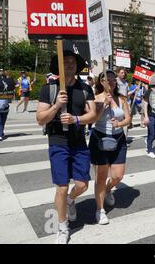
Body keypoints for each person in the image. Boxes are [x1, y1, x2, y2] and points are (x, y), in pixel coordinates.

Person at [36, 50, 97, 244]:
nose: (69, 64)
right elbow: (40, 119)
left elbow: (93, 114)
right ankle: (62, 228)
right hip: (58, 142)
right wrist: (55, 106)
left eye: (72, 62)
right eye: (65, 62)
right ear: (59, 67)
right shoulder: (49, 89)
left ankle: (71, 201)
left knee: (82, 185)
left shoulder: (85, 88)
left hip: (79, 143)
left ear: (77, 66)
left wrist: (76, 119)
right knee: (61, 188)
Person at [90, 70, 132, 224]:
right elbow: (92, 119)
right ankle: (99, 209)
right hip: (100, 139)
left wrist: (119, 123)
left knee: (118, 176)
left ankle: (108, 190)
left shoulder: (122, 99)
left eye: (114, 80)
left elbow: (128, 119)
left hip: (119, 139)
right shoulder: (96, 98)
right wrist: (104, 105)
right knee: (101, 177)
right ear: (101, 82)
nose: (112, 82)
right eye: (108, 80)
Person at [143, 75, 155, 159]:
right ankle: (149, 151)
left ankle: (148, 141)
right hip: (150, 115)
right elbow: (145, 104)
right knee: (151, 133)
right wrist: (146, 117)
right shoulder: (148, 92)